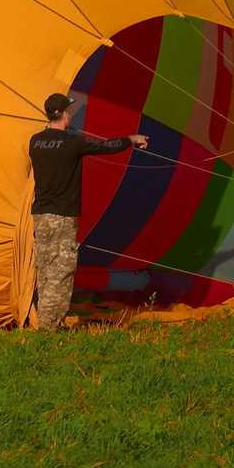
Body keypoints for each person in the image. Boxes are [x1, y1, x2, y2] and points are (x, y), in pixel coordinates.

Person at [27, 94, 148, 331]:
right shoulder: (72, 143)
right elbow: (106, 147)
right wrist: (132, 138)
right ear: (64, 115)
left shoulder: (35, 141)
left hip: (40, 216)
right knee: (61, 271)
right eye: (69, 112)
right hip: (62, 217)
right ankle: (47, 328)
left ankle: (47, 322)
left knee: (47, 270)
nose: (71, 115)